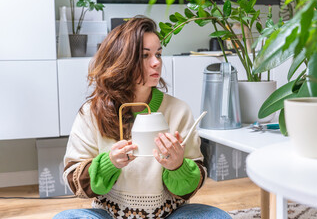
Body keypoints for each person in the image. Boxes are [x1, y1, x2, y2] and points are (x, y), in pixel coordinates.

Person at [54, 16, 231, 219]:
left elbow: (191, 185)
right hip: (109, 215)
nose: (156, 63)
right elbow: (74, 180)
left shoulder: (179, 110)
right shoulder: (92, 112)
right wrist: (109, 163)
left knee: (216, 217)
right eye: (145, 56)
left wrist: (178, 166)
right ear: (121, 60)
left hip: (168, 215)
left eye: (158, 54)